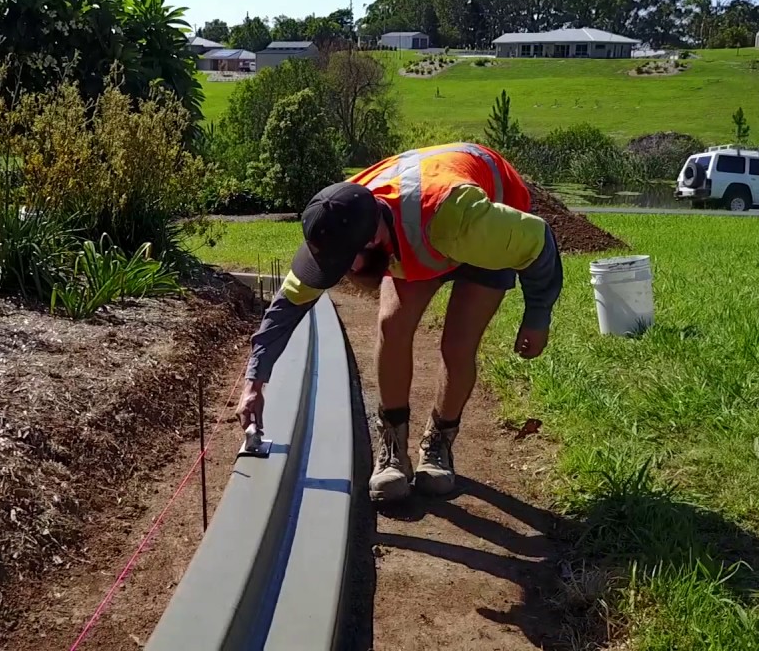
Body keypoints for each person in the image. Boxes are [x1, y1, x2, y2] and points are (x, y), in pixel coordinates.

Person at [236, 142, 563, 501]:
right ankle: (393, 446)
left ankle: (439, 442)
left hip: (478, 220)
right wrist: (255, 380)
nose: (343, 275)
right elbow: (287, 307)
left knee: (457, 344)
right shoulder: (339, 217)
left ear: (374, 240)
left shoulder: (459, 220)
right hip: (419, 228)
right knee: (392, 324)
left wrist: (537, 315)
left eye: (348, 264)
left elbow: (537, 240)